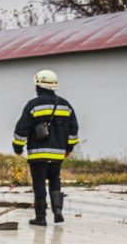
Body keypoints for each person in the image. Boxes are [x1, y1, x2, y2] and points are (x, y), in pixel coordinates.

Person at [12, 68, 79, 226]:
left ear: (39, 86)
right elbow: (73, 129)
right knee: (55, 179)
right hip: (58, 154)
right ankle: (58, 212)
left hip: (38, 154)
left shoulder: (33, 105)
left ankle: (40, 217)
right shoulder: (65, 104)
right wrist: (69, 148)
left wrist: (18, 147)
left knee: (39, 183)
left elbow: (22, 128)